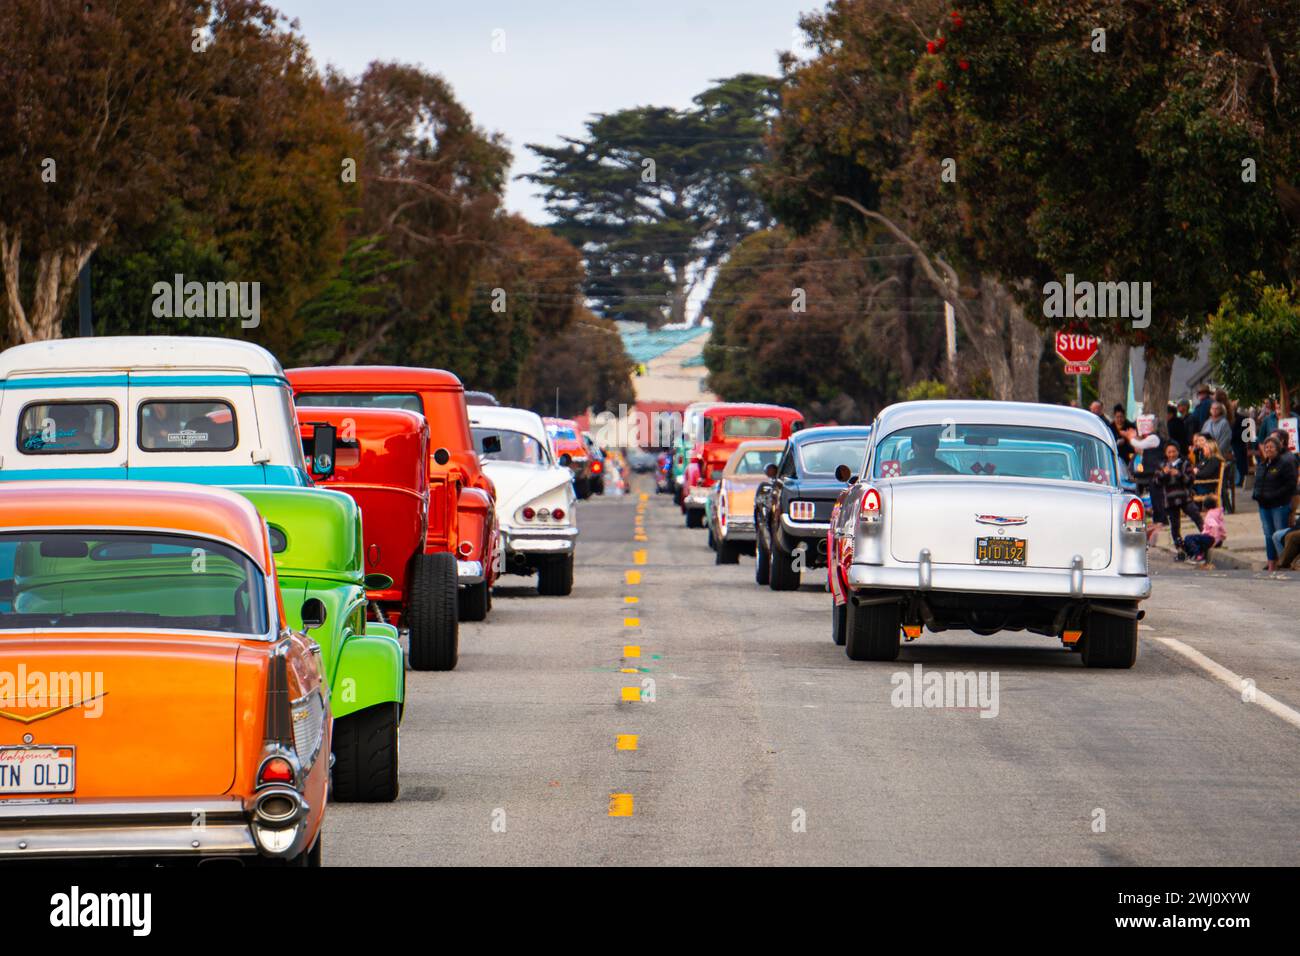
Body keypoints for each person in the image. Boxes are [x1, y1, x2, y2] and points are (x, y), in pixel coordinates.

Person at [1252, 435, 1299, 571]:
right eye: (1266, 447)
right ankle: (1271, 563)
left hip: (1279, 506)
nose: (1268, 449)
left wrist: (1274, 495)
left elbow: (1290, 485)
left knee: (1280, 535)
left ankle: (1285, 561)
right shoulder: (1262, 465)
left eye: (1271, 447)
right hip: (1264, 506)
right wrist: (1255, 495)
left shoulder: (1284, 463)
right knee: (1268, 535)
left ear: (1278, 449)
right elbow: (1258, 483)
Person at [1154, 441, 1202, 552]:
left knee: (1196, 516)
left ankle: (1207, 537)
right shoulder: (1162, 465)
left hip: (1184, 497)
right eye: (1169, 452)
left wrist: (1179, 474)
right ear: (1165, 453)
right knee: (1175, 525)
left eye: (1173, 451)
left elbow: (1190, 480)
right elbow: (1156, 482)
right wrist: (1164, 474)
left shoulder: (1185, 463)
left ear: (1178, 451)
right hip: (1170, 500)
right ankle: (1179, 547)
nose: (1171, 454)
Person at [1181, 495, 1226, 564]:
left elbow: (1215, 526)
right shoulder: (1218, 513)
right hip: (1219, 540)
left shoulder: (1209, 515)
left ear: (1204, 507)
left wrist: (1215, 540)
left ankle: (1198, 556)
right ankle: (1194, 555)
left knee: (1188, 538)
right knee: (1198, 540)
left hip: (1211, 538)